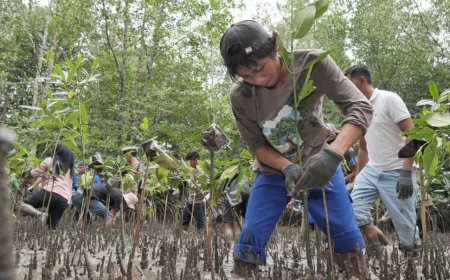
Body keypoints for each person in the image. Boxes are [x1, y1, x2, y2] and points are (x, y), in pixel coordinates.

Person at [219, 20, 373, 278]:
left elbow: (360, 108)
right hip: (273, 171)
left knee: (346, 235)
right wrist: (287, 166)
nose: (256, 79)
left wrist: (332, 155)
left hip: (321, 163)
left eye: (259, 68)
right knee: (250, 239)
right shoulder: (240, 96)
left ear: (275, 47)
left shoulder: (313, 64)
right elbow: (256, 144)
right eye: (246, 76)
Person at [345, 64, 421, 254]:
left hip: (397, 170)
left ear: (361, 81)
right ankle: (373, 234)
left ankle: (413, 262)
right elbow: (363, 147)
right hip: (372, 170)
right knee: (351, 210)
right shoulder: (358, 108)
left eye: (349, 83)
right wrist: (358, 178)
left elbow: (413, 135)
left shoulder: (388, 99)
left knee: (406, 229)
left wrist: (406, 171)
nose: (345, 88)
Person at [18, 144, 74, 229]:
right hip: (64, 199)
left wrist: (22, 175)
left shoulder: (50, 160)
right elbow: (69, 187)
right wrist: (68, 202)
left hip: (49, 193)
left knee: (20, 206)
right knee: (52, 227)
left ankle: (40, 215)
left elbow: (34, 173)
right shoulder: (70, 170)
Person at [72, 182, 138, 227]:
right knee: (108, 215)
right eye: (128, 206)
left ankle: (80, 236)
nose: (126, 207)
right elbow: (111, 216)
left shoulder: (116, 192)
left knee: (85, 219)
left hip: (76, 195)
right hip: (88, 196)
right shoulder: (119, 198)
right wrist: (114, 224)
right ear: (126, 202)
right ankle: (106, 235)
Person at [327, 124, 358, 192]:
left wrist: (340, 181)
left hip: (349, 181)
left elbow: (355, 172)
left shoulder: (348, 151)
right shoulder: (328, 151)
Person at [181, 151, 206, 231]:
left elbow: (204, 185)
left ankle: (202, 239)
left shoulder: (201, 170)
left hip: (199, 200)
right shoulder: (189, 170)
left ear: (195, 160)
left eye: (189, 161)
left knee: (200, 222)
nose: (188, 163)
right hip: (191, 199)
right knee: (185, 219)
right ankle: (184, 238)